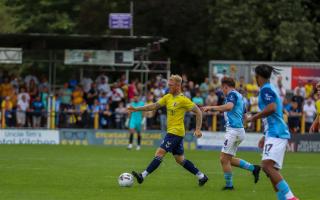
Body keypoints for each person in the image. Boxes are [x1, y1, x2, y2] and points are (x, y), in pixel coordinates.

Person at [128, 75, 208, 186]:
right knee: (180, 159)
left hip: (176, 132)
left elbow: (198, 111)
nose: (169, 87)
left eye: (171, 85)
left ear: (177, 86)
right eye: (168, 85)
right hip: (173, 132)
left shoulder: (183, 100)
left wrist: (198, 129)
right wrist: (137, 109)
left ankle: (142, 175)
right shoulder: (168, 97)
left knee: (160, 153)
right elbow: (154, 106)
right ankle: (201, 176)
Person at [247, 64, 299, 200]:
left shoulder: (265, 90)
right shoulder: (271, 88)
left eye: (255, 77)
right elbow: (275, 113)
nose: (255, 80)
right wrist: (265, 135)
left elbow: (272, 108)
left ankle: (291, 197)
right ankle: (282, 198)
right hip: (273, 132)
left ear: (258, 77)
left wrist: (253, 117)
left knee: (266, 166)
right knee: (271, 169)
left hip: (276, 132)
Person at [202, 77, 260, 190]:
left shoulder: (232, 95)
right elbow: (245, 115)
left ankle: (229, 186)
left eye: (222, 87)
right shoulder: (240, 96)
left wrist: (211, 107)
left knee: (223, 159)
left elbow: (229, 107)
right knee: (229, 160)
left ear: (226, 86)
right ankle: (254, 168)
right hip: (239, 130)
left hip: (233, 131)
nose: (221, 90)